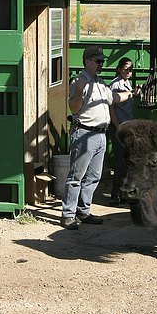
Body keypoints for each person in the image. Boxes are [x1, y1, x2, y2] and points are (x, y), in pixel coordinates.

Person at [62, 45, 133, 229]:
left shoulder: (100, 83)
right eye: (98, 61)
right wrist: (78, 90)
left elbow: (114, 99)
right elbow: (74, 108)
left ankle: (83, 211)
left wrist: (132, 93)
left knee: (93, 177)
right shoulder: (79, 82)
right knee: (76, 176)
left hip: (100, 135)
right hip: (85, 133)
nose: (101, 64)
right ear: (87, 61)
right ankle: (68, 214)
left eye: (102, 61)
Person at [108, 57, 138, 205]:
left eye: (130, 69)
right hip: (119, 126)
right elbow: (111, 106)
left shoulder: (126, 83)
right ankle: (116, 195)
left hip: (126, 125)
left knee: (125, 160)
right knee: (120, 161)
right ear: (119, 69)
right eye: (126, 69)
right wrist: (117, 125)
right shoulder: (116, 84)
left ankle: (121, 193)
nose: (128, 72)